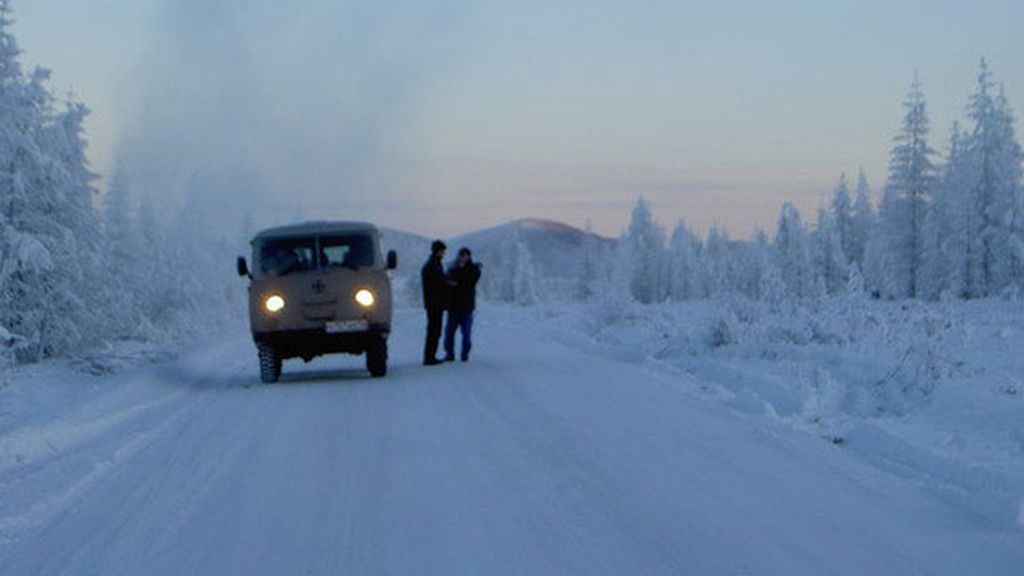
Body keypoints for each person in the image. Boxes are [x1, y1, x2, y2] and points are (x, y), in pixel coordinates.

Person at [444, 247, 482, 362]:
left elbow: (470, 282)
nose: (463, 257)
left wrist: (457, 282)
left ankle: (464, 355)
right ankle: (450, 354)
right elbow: (448, 281)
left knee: (466, 334)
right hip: (454, 306)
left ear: (469, 256)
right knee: (449, 333)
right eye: (461, 255)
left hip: (466, 307)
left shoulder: (473, 269)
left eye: (465, 255)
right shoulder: (453, 268)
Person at [421, 240, 450, 365]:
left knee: (434, 330)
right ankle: (429, 357)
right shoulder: (433, 266)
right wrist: (447, 283)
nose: (444, 253)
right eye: (442, 251)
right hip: (435, 304)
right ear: (437, 251)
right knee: (434, 331)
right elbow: (437, 284)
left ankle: (430, 356)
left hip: (434, 303)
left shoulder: (433, 264)